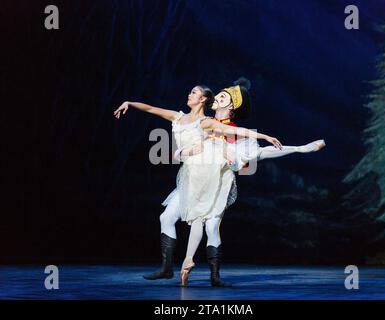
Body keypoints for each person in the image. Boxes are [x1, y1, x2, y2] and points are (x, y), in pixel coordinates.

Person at [113, 85, 282, 287]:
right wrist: (129, 103)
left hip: (206, 178)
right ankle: (168, 268)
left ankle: (209, 273)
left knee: (209, 226)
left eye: (194, 92)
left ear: (202, 99)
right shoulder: (178, 116)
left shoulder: (206, 122)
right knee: (166, 217)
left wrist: (263, 137)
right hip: (189, 176)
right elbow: (151, 109)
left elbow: (232, 130)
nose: (189, 94)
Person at [175, 78, 326, 287]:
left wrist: (293, 146)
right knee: (199, 223)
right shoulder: (205, 121)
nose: (217, 96)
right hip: (202, 178)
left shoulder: (234, 133)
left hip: (220, 180)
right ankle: (188, 263)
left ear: (230, 106)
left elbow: (256, 151)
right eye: (218, 94)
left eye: (222, 96)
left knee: (211, 227)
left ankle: (213, 275)